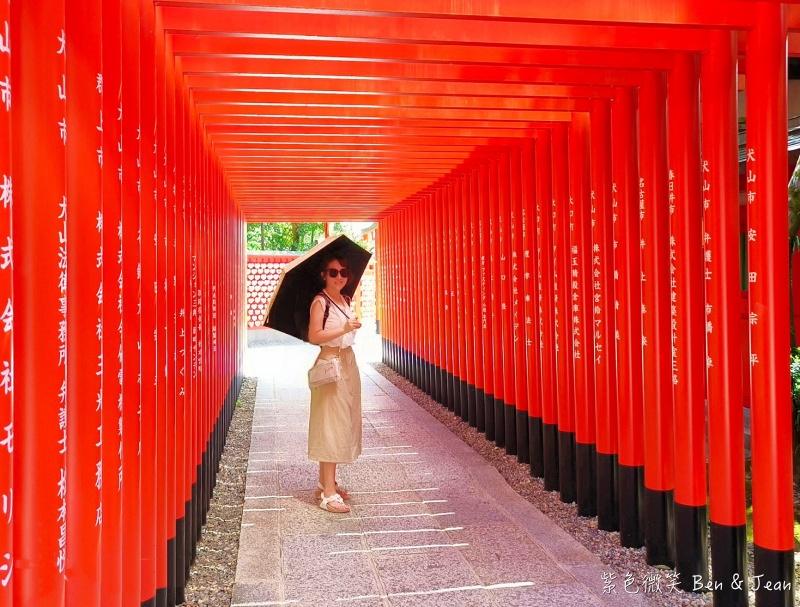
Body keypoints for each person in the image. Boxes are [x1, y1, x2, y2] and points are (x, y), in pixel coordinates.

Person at [306, 254, 363, 513]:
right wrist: (343, 329)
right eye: (333, 272)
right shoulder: (320, 301)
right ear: (323, 275)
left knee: (342, 422)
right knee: (330, 424)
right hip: (331, 363)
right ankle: (328, 494)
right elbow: (314, 335)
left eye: (343, 271)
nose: (339, 276)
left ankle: (325, 482)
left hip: (348, 363)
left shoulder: (345, 299)